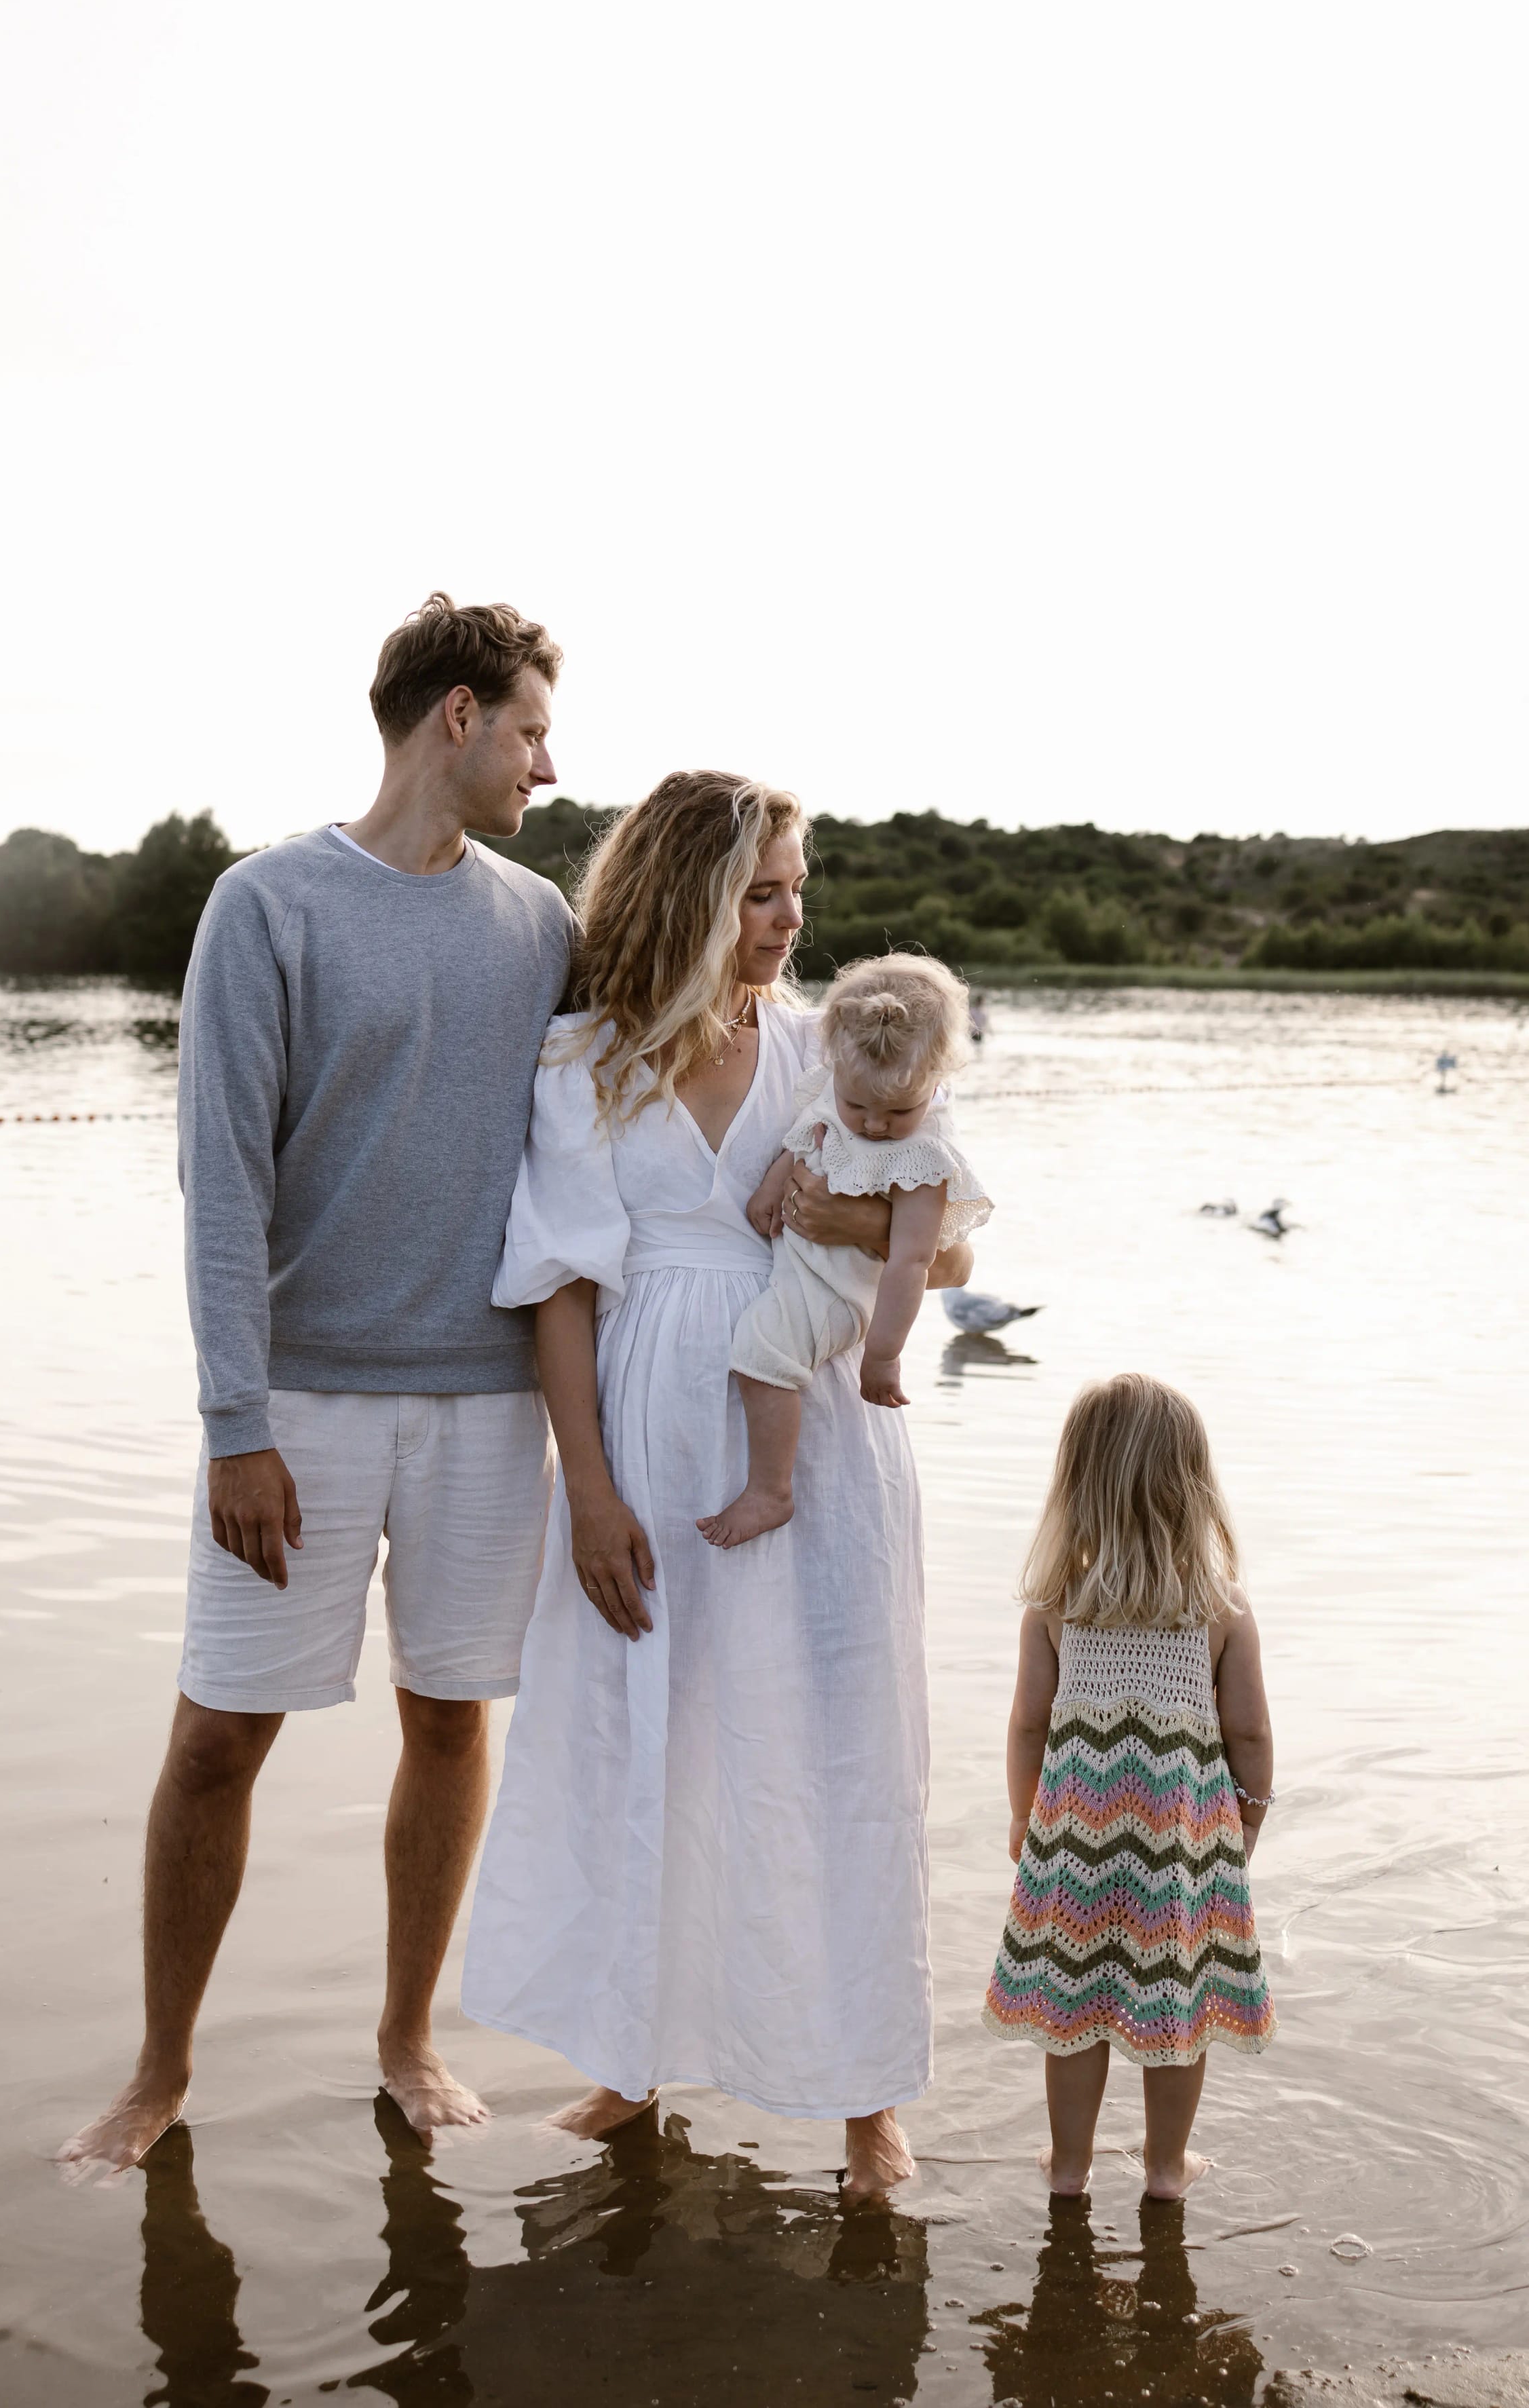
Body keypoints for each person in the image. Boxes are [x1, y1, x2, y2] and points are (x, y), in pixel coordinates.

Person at [59, 593, 575, 2175]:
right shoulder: (265, 905)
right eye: (533, 727)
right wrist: (237, 1424)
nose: (547, 765)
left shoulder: (539, 924)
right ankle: (157, 2072)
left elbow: (618, 1126)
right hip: (301, 1405)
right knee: (218, 1732)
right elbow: (221, 1187)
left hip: (489, 1407)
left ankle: (406, 2034)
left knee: (448, 1716)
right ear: (456, 718)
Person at [459, 771, 977, 2203]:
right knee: (647, 1734)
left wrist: (833, 1213)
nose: (789, 917)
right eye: (761, 892)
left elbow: (950, 1253)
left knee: (839, 1742)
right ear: (689, 896)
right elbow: (554, 1289)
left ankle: (870, 2091)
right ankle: (628, 2061)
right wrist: (587, 1492)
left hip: (811, 1432)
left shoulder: (836, 1048)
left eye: (797, 888)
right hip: (643, 1428)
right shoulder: (582, 1061)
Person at [982, 1374, 1277, 2201]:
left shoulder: (1055, 1602)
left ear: (1076, 1481)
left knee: (1074, 2008)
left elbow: (1028, 1725)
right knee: (1175, 2009)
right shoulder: (1219, 1606)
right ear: (1193, 1484)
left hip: (1074, 1838)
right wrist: (1246, 1822)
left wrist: (1021, 1816)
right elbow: (1249, 1732)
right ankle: (1163, 2172)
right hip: (1181, 1844)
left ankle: (1069, 2171)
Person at [698, 952, 991, 1549]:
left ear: (936, 1083)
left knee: (761, 1354)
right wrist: (772, 1186)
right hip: (802, 1271)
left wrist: (883, 1356)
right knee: (761, 1347)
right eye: (861, 1107)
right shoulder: (835, 1090)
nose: (876, 1126)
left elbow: (914, 1260)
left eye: (898, 1112)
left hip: (840, 1292)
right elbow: (808, 1134)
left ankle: (770, 1491)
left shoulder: (923, 1158)